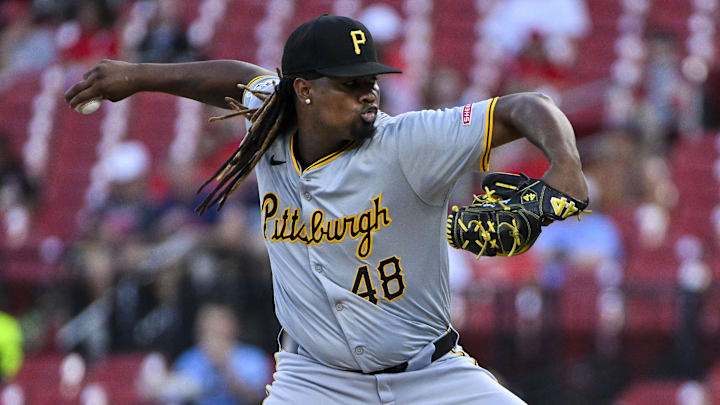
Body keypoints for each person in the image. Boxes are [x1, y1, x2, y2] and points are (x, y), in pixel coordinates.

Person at [65, 14, 588, 404]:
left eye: (372, 80)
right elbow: (229, 80)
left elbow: (528, 107)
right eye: (351, 83)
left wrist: (563, 166)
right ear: (305, 91)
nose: (369, 94)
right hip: (315, 382)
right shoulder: (272, 116)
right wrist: (136, 75)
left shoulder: (408, 140)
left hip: (432, 379)